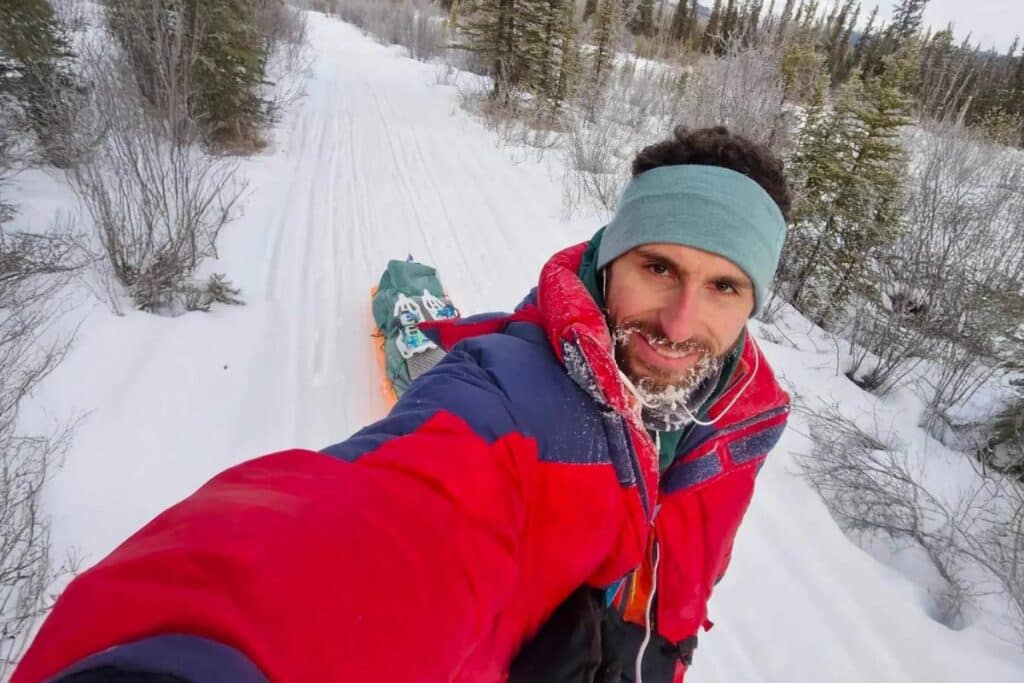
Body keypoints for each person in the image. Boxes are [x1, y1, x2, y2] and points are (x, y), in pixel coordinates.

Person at [13, 126, 792, 683]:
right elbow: (376, 530)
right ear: (608, 260)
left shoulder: (738, 419)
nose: (684, 321)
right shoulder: (507, 401)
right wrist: (183, 660)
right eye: (659, 267)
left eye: (724, 286)